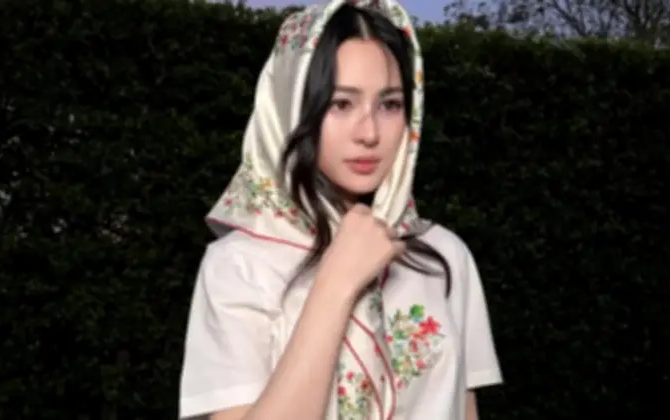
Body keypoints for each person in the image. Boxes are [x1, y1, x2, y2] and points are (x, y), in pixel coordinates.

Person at [178, 0, 503, 419]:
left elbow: (463, 410)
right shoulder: (239, 266)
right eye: (341, 104)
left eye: (390, 104)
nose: (369, 133)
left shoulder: (443, 256)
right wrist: (337, 281)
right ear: (291, 109)